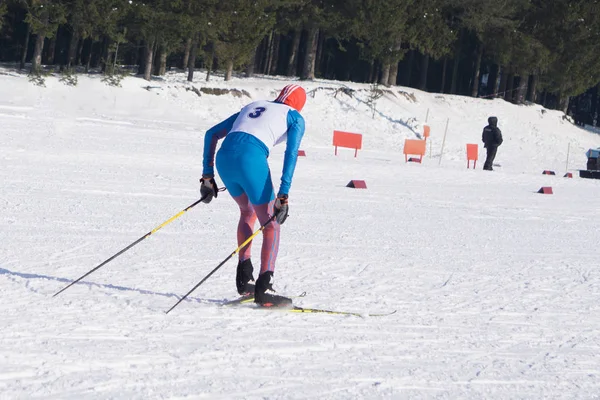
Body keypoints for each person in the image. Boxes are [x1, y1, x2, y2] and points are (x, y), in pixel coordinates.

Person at [200, 84, 306, 306]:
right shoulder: (294, 117)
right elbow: (291, 153)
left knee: (247, 212)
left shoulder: (254, 105)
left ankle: (244, 277)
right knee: (271, 224)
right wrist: (283, 193)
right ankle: (264, 288)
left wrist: (207, 176)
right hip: (251, 159)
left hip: (224, 159)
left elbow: (212, 134)